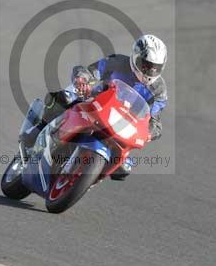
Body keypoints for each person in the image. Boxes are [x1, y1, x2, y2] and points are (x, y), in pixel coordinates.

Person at [26, 34, 168, 181]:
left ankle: (88, 179)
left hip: (121, 127)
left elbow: (154, 121)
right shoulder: (118, 62)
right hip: (95, 103)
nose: (149, 71)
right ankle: (38, 128)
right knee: (65, 97)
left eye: (154, 68)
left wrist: (148, 133)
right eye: (145, 64)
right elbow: (90, 71)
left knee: (123, 169)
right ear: (135, 56)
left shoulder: (159, 90)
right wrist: (82, 80)